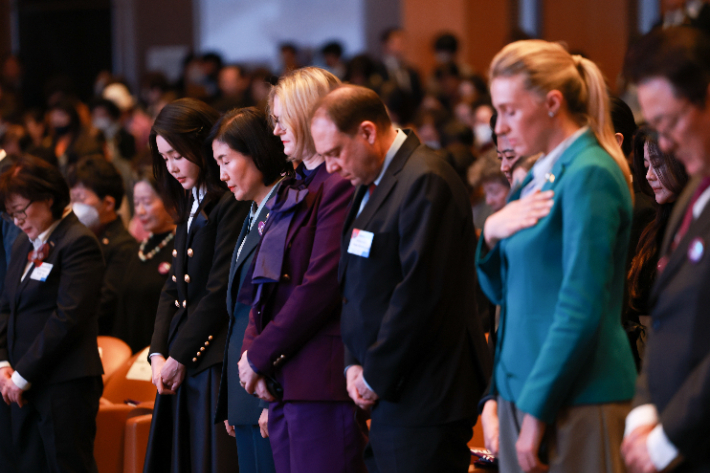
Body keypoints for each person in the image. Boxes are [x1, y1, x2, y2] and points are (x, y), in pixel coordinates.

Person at [311, 85, 491, 473]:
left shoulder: (425, 179)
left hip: (426, 391)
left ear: (368, 132)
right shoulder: (371, 182)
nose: (330, 167)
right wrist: (352, 364)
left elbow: (420, 294)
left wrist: (373, 375)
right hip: (392, 387)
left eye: (334, 153)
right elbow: (356, 286)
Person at [477, 40, 637, 473]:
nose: (503, 126)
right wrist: (490, 234)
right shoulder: (541, 173)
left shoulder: (591, 172)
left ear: (552, 103)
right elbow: (502, 292)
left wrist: (536, 409)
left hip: (575, 396)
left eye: (511, 110)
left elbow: (580, 307)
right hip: (524, 390)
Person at [236, 67, 366, 473]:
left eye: (280, 119)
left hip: (319, 381)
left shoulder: (338, 183)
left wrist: (259, 355)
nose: (275, 132)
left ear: (309, 114)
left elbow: (320, 285)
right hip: (285, 377)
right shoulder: (298, 183)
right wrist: (253, 351)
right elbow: (266, 280)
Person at [622, 26, 710, 473]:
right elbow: (669, 318)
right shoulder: (692, 197)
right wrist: (643, 412)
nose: (666, 143)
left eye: (671, 122)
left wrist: (668, 434)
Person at [144, 98, 247, 473]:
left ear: (201, 143)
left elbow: (218, 289)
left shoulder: (230, 201)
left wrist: (180, 356)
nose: (171, 167)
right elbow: (173, 286)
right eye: (165, 158)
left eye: (177, 155)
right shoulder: (192, 197)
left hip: (209, 359)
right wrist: (157, 352)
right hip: (180, 358)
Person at [0, 155, 105, 473]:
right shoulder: (22, 244)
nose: (17, 220)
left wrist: (21, 376)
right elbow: (6, 308)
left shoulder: (78, 242)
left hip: (64, 385)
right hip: (20, 386)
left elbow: (68, 317)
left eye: (22, 211)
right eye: (10, 214)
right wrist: (4, 364)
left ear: (48, 197)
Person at [210, 107, 290, 473]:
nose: (221, 174)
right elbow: (239, 312)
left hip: (266, 389)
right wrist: (233, 397)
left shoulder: (285, 209)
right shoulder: (254, 212)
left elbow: (278, 309)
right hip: (246, 389)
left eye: (227, 161)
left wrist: (264, 401)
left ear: (257, 152)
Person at [626, 127, 688, 368]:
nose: (650, 175)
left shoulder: (696, 222)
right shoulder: (654, 225)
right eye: (645, 165)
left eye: (658, 164)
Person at [67, 155, 137, 335]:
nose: (75, 206)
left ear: (108, 204)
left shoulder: (123, 246)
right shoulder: (77, 239)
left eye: (81, 198)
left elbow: (106, 303)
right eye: (73, 198)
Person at [112, 170, 177, 353]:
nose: (140, 211)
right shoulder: (136, 250)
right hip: (130, 353)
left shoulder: (179, 248)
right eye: (136, 203)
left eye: (147, 202)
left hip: (162, 353)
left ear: (169, 200)